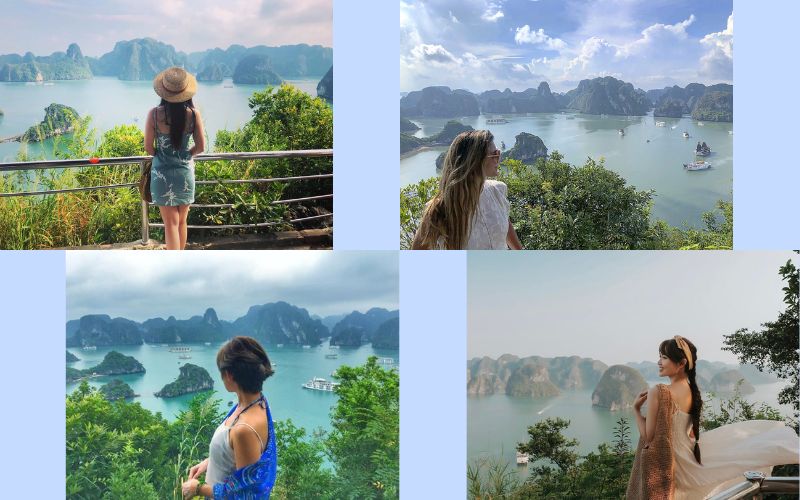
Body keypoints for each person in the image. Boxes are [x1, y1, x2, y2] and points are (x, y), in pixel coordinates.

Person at [626, 336, 797, 499]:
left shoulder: (660, 391)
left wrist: (636, 409)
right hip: (689, 456)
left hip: (673, 463)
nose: (659, 362)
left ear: (681, 363)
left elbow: (649, 437)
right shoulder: (691, 391)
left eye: (664, 357)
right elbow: (689, 431)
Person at [181, 337, 277, 499]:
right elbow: (234, 454)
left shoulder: (244, 429)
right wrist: (210, 462)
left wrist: (198, 488)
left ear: (229, 375)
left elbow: (243, 495)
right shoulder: (255, 403)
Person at [411, 130, 523, 250]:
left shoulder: (498, 190)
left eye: (498, 153)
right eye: (494, 154)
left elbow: (505, 224)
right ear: (475, 160)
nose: (498, 159)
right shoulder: (440, 209)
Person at [144, 66, 206, 250]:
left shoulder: (154, 114)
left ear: (163, 91)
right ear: (186, 92)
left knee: (170, 223)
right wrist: (185, 155)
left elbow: (148, 148)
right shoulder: (194, 114)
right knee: (181, 221)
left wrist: (162, 156)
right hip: (184, 173)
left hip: (161, 173)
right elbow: (201, 147)